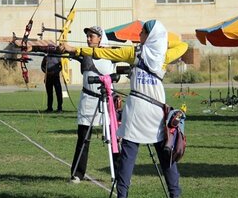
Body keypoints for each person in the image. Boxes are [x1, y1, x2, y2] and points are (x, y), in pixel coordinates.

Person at [60, 20, 188, 198]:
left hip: (136, 109)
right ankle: (175, 194)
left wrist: (77, 50)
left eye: (143, 33)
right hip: (156, 111)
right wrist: (161, 41)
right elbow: (183, 45)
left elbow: (102, 52)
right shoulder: (163, 55)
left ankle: (122, 195)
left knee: (128, 154)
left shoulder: (134, 52)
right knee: (166, 154)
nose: (139, 35)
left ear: (149, 36)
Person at [69, 26, 116, 183]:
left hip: (106, 102)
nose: (88, 39)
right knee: (83, 139)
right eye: (87, 36)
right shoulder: (84, 53)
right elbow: (66, 50)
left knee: (114, 139)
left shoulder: (112, 54)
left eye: (92, 36)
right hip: (88, 101)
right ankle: (77, 174)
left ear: (100, 38)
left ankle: (118, 172)